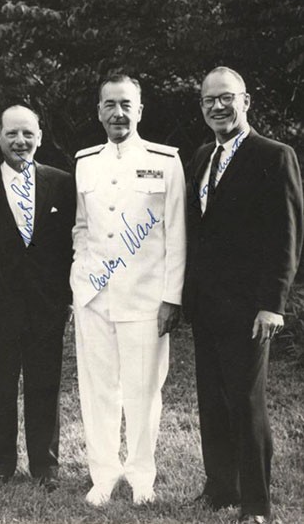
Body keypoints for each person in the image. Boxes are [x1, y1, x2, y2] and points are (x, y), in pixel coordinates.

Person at [183, 66, 303, 524]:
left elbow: (287, 236)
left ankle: (256, 505)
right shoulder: (200, 157)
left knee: (246, 402)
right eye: (209, 100)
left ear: (246, 100)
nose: (218, 106)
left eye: (226, 98)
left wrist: (274, 303)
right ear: (202, 107)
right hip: (207, 304)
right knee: (212, 400)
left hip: (252, 308)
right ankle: (221, 488)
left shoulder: (274, 156)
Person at [70, 74, 187, 506]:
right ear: (99, 110)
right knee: (97, 389)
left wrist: (171, 296)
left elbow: (176, 233)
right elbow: (81, 227)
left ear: (140, 110)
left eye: (126, 105)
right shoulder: (85, 161)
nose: (118, 113)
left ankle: (141, 476)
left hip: (145, 298)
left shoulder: (165, 161)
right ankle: (102, 475)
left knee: (142, 391)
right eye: (109, 105)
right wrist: (80, 276)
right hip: (94, 297)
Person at [0, 105, 75, 493]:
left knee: (44, 386)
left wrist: (64, 298)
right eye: (12, 134)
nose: (20, 141)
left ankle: (44, 467)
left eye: (28, 134)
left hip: (46, 306)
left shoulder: (61, 182)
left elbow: (69, 244)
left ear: (40, 138)